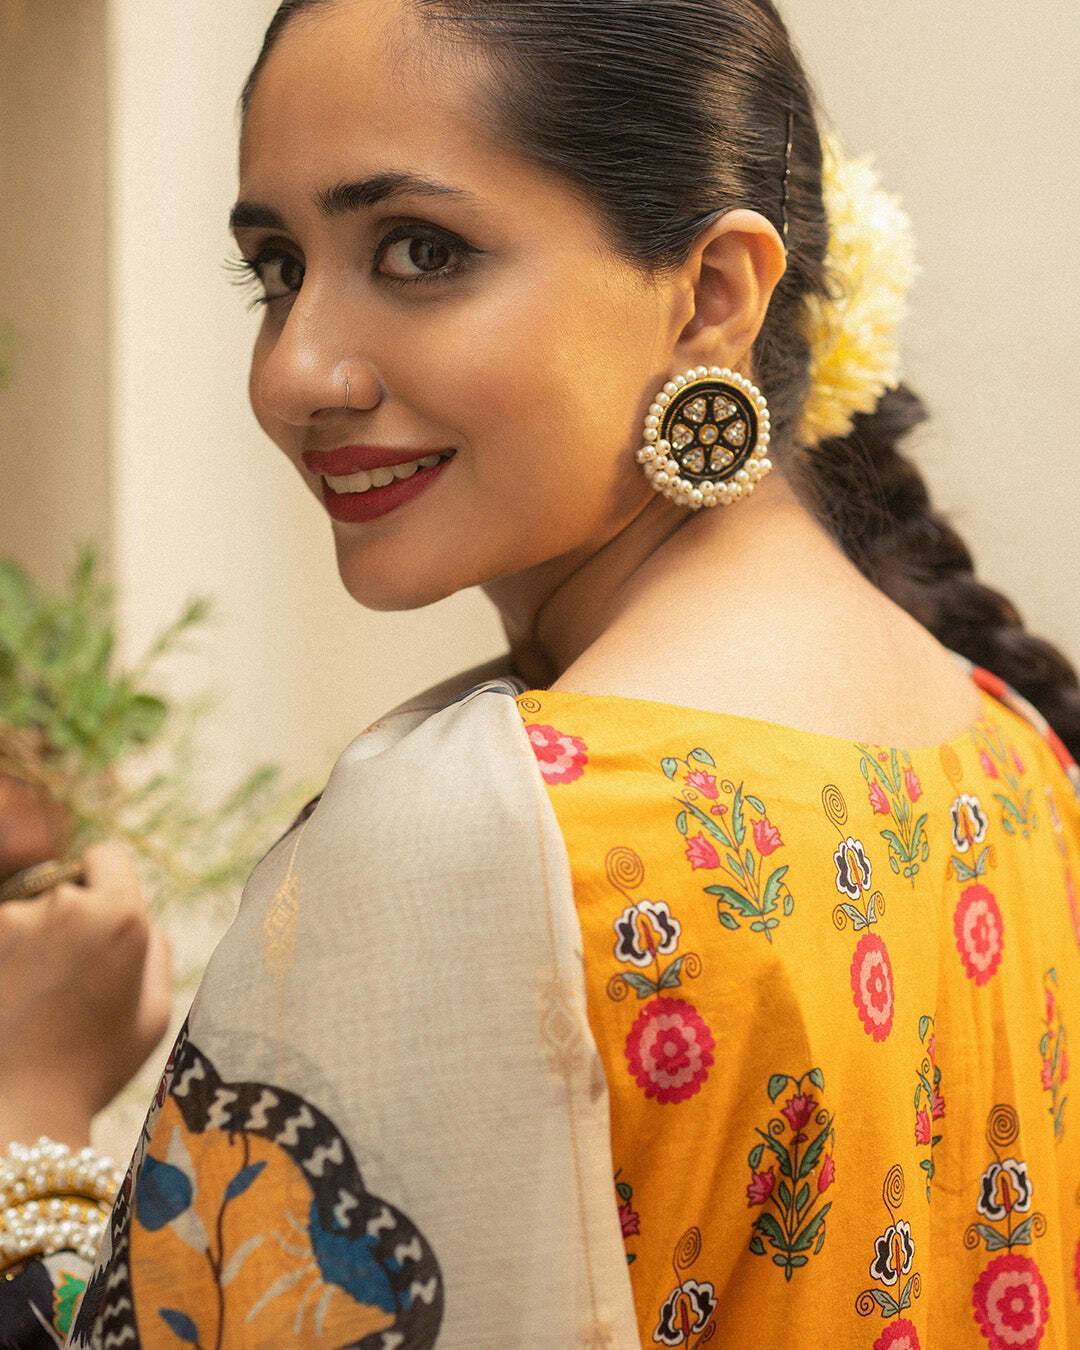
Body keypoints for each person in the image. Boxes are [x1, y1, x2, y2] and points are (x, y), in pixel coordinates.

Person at [3, 0, 1079, 1344]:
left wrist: (29, 1103)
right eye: (277, 268)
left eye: (420, 250)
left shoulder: (494, 838)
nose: (294, 372)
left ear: (713, 296)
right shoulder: (1015, 745)